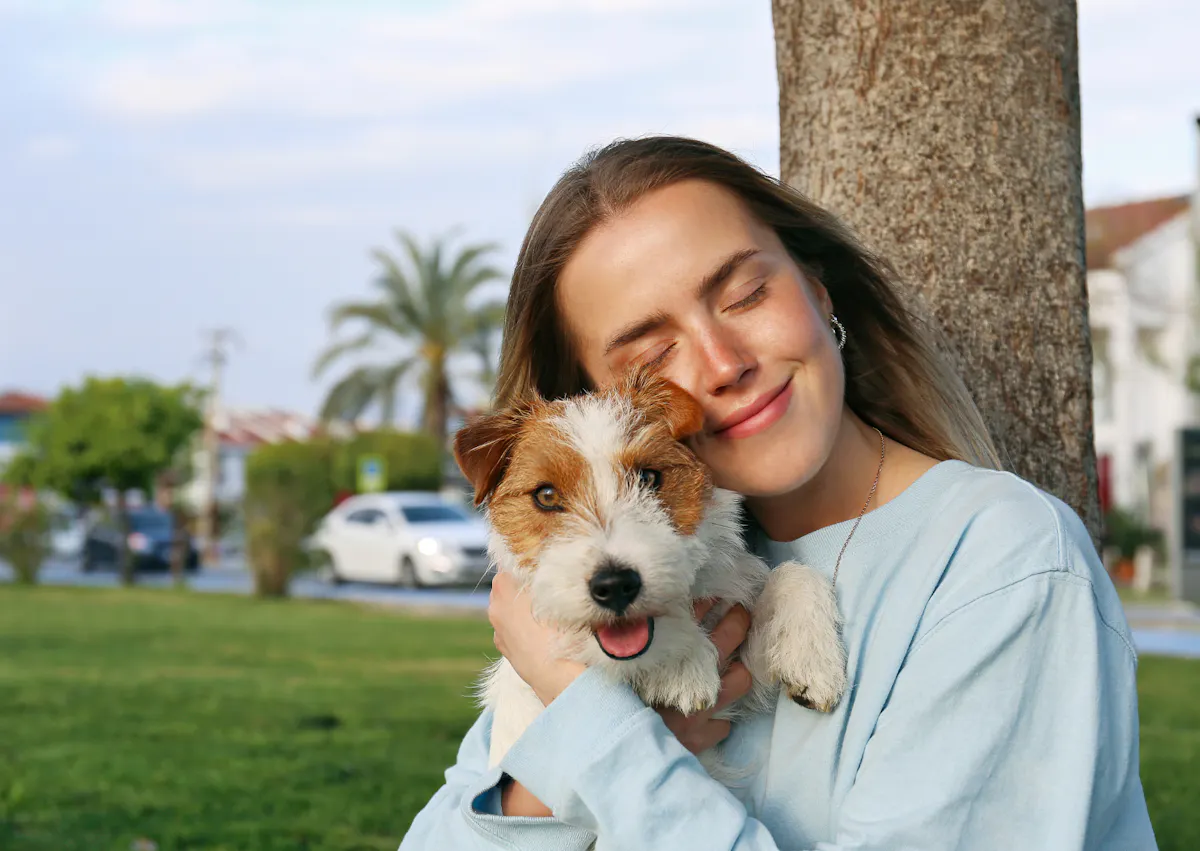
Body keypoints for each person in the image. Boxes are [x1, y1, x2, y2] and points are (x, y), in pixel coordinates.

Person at [399, 136, 1157, 850]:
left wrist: (595, 730)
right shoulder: (631, 592)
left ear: (817, 290)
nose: (723, 363)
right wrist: (544, 777)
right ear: (593, 405)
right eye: (654, 352)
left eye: (746, 293)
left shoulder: (1004, 561)